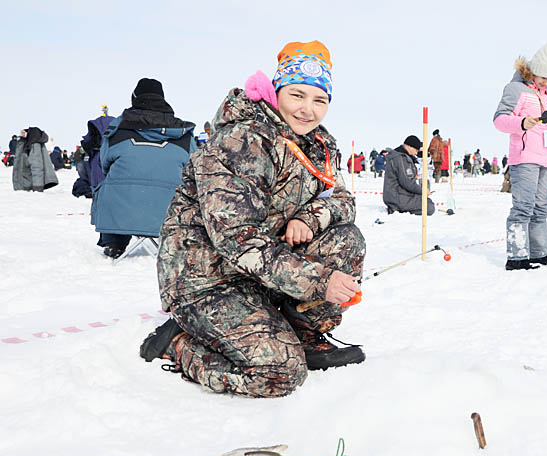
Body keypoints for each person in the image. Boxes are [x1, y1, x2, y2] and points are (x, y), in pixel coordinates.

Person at [138, 41, 365, 398]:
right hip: (207, 279)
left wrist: (310, 215)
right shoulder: (243, 139)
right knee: (279, 373)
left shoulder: (318, 144)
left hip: (260, 271)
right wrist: (318, 281)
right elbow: (235, 238)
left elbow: (342, 199)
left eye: (319, 100)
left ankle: (301, 332)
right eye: (297, 95)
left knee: (346, 238)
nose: (308, 109)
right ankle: (178, 343)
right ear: (276, 93)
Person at [92, 78, 195, 258]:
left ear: (135, 98)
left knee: (112, 183)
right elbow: (193, 168)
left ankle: (114, 242)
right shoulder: (183, 133)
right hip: (169, 213)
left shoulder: (117, 129)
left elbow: (104, 164)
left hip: (122, 212)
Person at [494, 43, 547, 270]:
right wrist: (522, 123)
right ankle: (517, 257)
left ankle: (538, 253)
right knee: (523, 208)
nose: (545, 82)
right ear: (532, 70)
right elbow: (499, 120)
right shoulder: (516, 89)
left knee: (541, 209)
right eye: (542, 76)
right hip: (525, 159)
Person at [383, 135, 434, 215]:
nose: (416, 153)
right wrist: (423, 191)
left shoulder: (401, 156)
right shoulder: (400, 158)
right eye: (416, 150)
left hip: (397, 194)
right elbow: (407, 182)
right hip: (397, 197)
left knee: (426, 200)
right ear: (410, 147)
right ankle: (398, 209)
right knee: (429, 206)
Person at [12, 127, 59, 191]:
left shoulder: (34, 145)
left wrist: (37, 188)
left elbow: (37, 168)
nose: (22, 134)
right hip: (25, 186)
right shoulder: (27, 143)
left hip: (27, 189)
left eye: (24, 133)